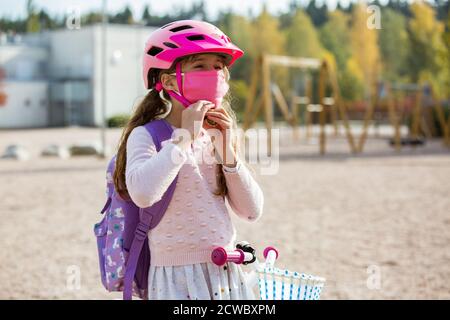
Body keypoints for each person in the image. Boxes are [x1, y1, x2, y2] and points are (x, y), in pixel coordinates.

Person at [113, 20, 264, 300]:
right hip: (174, 280)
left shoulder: (217, 136)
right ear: (169, 80)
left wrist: (228, 152)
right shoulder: (147, 135)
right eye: (200, 66)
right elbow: (144, 194)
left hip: (225, 274)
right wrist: (183, 138)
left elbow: (252, 210)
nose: (214, 74)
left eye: (219, 66)